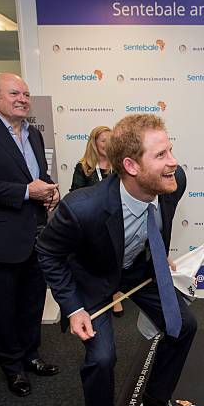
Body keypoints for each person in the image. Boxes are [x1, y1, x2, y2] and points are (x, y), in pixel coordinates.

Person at [36, 114, 197, 406]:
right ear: (131, 166)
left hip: (139, 268)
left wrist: (159, 252)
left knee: (184, 325)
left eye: (171, 150)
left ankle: (156, 397)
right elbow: (48, 253)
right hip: (93, 277)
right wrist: (74, 307)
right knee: (102, 358)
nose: (174, 162)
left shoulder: (172, 181)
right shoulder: (83, 208)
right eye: (161, 155)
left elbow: (155, 224)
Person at [0, 73, 60, 397]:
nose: (22, 98)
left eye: (26, 93)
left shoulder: (32, 134)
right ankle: (13, 368)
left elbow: (39, 176)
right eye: (14, 93)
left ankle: (30, 355)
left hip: (35, 236)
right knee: (3, 309)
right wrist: (24, 191)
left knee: (32, 303)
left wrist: (49, 190)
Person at [70, 125, 124, 318]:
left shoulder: (118, 166)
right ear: (94, 143)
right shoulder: (83, 167)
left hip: (115, 220)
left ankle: (115, 292)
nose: (107, 144)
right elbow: (75, 194)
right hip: (92, 222)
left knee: (115, 255)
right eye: (103, 140)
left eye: (110, 140)